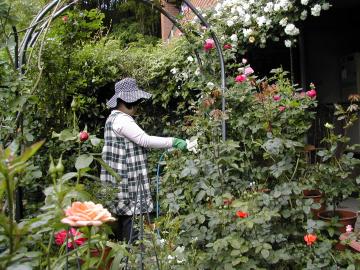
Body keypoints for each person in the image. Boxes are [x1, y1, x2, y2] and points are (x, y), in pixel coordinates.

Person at [100, 77, 188, 242]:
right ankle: (134, 258)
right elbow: (144, 140)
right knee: (132, 222)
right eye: (136, 102)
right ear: (127, 101)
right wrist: (174, 142)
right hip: (128, 180)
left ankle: (125, 257)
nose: (137, 107)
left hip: (117, 178)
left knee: (123, 220)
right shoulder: (122, 120)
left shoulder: (112, 118)